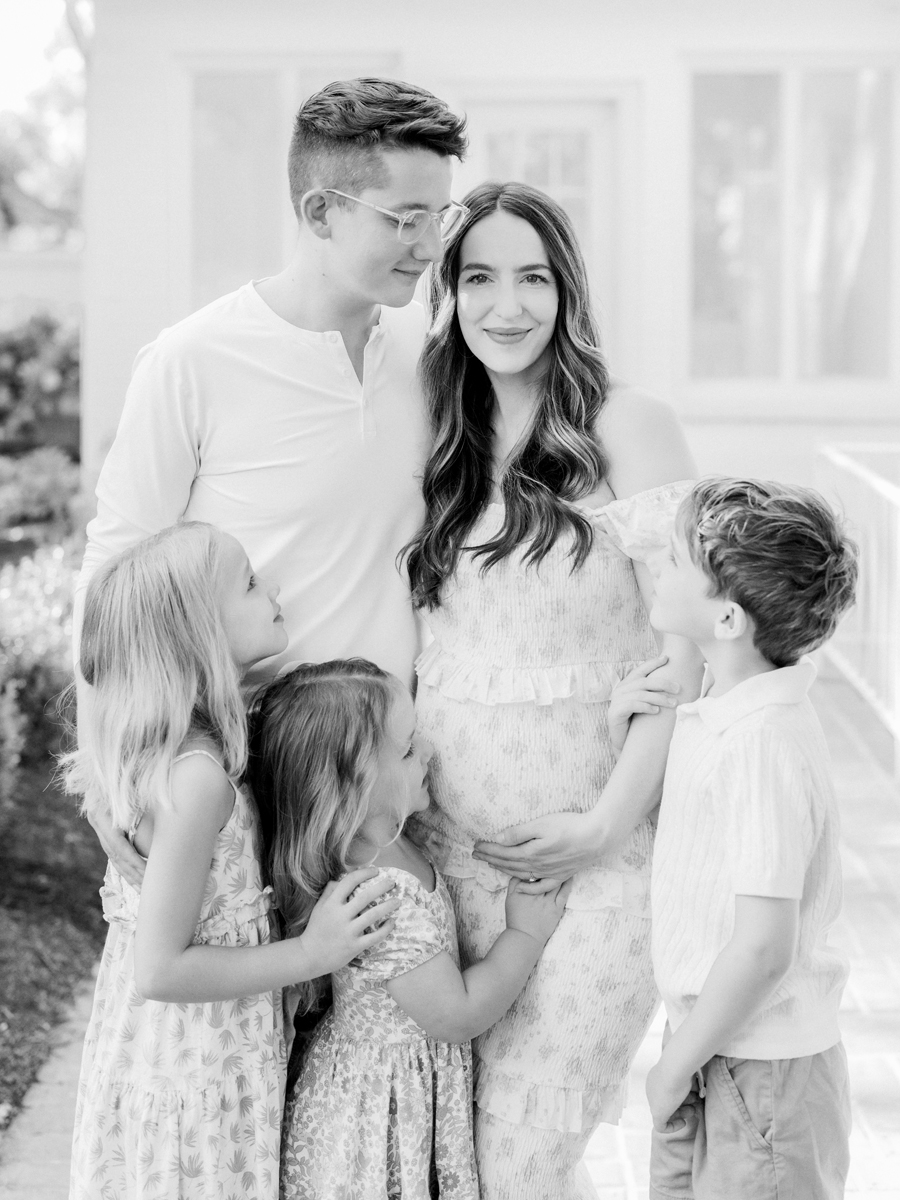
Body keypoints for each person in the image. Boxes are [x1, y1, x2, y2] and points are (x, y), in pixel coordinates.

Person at [78, 76, 468, 882]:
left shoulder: (430, 368)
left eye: (440, 216)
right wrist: (99, 769)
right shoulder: (192, 361)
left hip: (391, 785)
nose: (430, 247)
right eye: (404, 218)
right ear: (320, 212)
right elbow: (114, 570)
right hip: (246, 785)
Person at [403, 181, 700, 1199]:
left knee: (518, 1160)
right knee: (456, 1166)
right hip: (447, 873)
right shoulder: (433, 441)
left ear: (567, 293)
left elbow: (691, 652)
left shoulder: (628, 427)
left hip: (598, 876)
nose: (507, 305)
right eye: (479, 277)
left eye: (533, 277)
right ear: (448, 295)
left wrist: (608, 824)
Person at [63, 523, 400, 1200]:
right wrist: (314, 954)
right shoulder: (197, 780)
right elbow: (159, 968)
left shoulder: (196, 746)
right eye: (249, 583)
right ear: (197, 635)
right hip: (192, 1090)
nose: (272, 588)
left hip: (194, 1066)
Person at [246, 659, 571, 1199]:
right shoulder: (380, 896)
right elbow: (457, 1015)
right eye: (407, 749)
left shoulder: (385, 842)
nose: (429, 753)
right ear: (353, 785)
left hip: (372, 1087)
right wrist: (525, 936)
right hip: (374, 1123)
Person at [639, 477, 857, 1200]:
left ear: (728, 620)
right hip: (714, 1043)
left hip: (757, 1067)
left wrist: (676, 1067)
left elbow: (766, 944)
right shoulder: (726, 709)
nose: (657, 567)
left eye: (673, 559)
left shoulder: (761, 743)